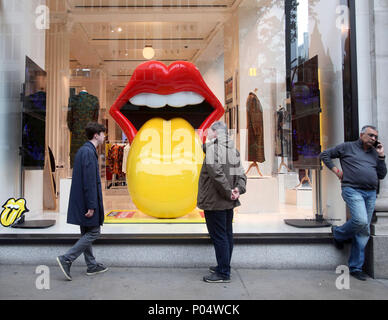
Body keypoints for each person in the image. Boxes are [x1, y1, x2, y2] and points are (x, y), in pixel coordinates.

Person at [320, 125, 387, 281]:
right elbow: (324, 155)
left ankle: (356, 267)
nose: (373, 139)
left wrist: (382, 157)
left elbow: (382, 175)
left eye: (375, 137)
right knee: (361, 221)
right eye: (370, 135)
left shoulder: (374, 153)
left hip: (370, 193)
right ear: (361, 134)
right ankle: (338, 233)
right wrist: (337, 172)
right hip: (352, 189)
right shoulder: (347, 147)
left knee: (363, 230)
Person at [57, 122, 108, 281]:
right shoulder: (88, 152)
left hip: (83, 201)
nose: (104, 136)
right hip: (87, 203)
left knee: (86, 232)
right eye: (103, 133)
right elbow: (89, 182)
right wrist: (92, 205)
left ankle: (91, 265)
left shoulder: (85, 150)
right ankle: (67, 258)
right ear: (96, 135)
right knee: (94, 232)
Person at [197, 121, 247, 283]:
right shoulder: (233, 151)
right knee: (226, 235)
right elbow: (241, 175)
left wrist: (228, 192)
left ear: (216, 133)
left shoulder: (213, 150)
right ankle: (223, 266)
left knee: (219, 236)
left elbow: (216, 174)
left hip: (215, 201)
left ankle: (223, 272)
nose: (207, 134)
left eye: (210, 132)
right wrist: (237, 190)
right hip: (228, 202)